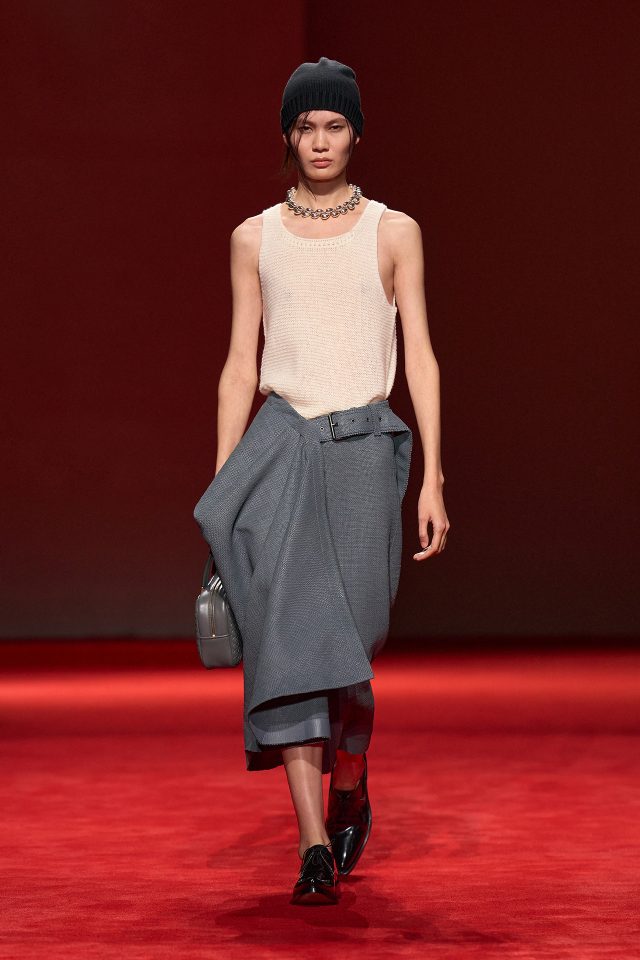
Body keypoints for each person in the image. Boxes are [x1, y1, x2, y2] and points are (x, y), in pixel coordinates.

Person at [193, 56, 450, 906]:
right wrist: (225, 490)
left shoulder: (393, 231)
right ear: (288, 136)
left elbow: (420, 356)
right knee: (292, 645)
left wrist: (433, 477)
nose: (320, 141)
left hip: (364, 450)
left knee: (355, 643)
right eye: (306, 127)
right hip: (279, 450)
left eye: (335, 125)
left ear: (356, 134)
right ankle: (311, 844)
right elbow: (240, 365)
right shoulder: (254, 238)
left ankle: (351, 772)